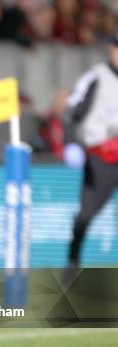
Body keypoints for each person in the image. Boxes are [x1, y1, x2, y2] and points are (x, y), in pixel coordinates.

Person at [65, 34, 118, 268]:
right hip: (102, 157)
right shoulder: (96, 77)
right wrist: (71, 143)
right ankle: (72, 263)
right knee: (86, 214)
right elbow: (71, 112)